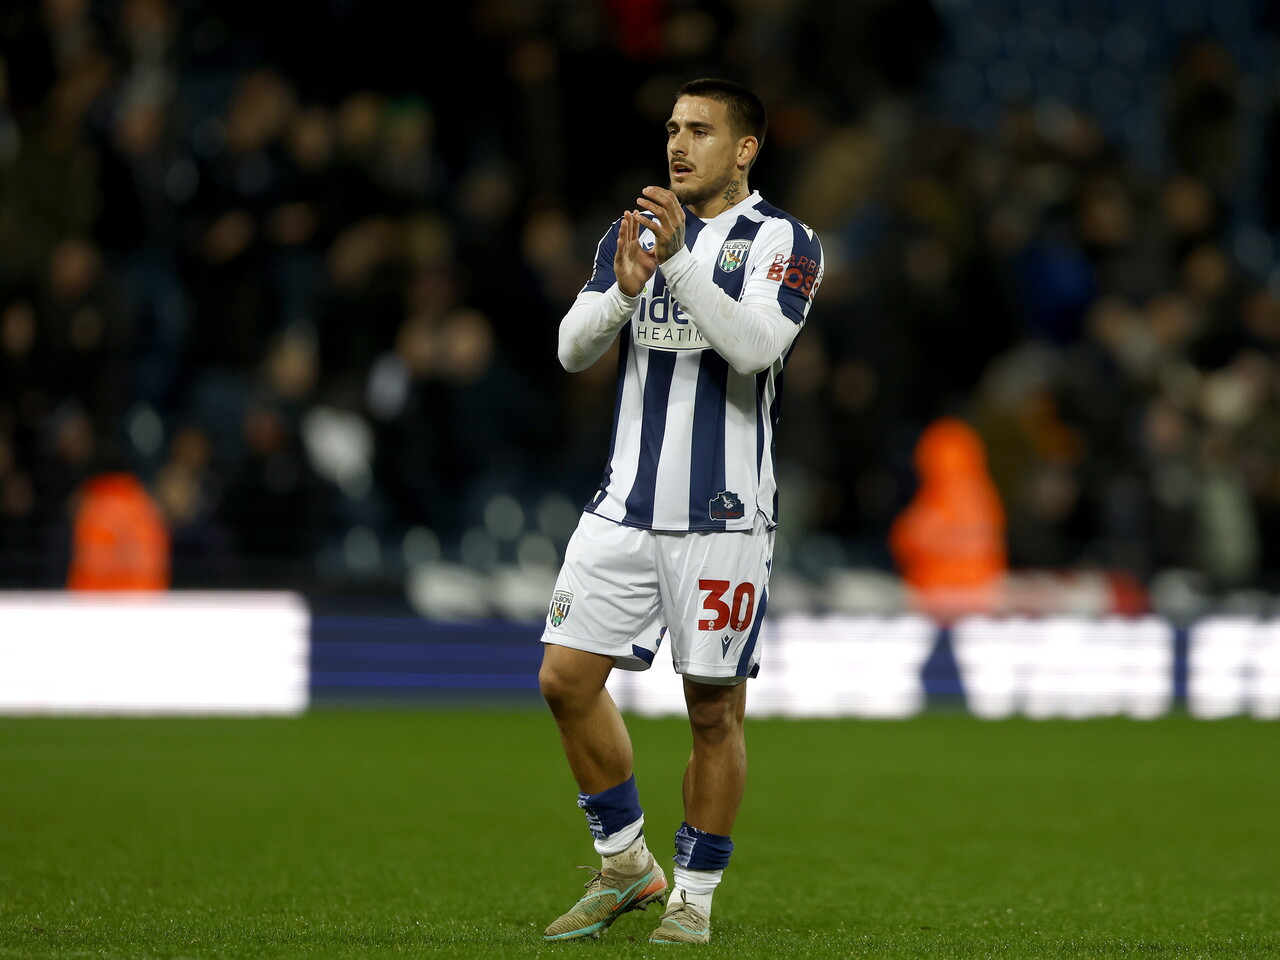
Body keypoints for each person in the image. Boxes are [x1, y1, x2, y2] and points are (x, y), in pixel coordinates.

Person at [538, 78, 823, 945]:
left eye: (700, 130)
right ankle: (627, 865)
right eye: (671, 128)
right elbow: (570, 349)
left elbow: (753, 347)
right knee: (564, 679)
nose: (678, 144)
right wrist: (625, 289)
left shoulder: (786, 240)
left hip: (724, 514)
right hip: (624, 504)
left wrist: (675, 262)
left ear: (745, 150)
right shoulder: (634, 231)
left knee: (711, 709)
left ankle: (694, 892)